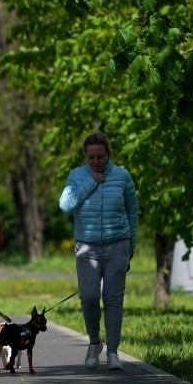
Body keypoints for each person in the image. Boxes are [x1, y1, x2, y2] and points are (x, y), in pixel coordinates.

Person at [59, 132, 138, 370]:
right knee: (90, 296)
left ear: (108, 154)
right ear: (85, 156)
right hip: (87, 246)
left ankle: (113, 352)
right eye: (91, 157)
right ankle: (95, 342)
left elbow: (132, 213)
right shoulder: (77, 176)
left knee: (113, 300)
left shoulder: (123, 176)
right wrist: (91, 181)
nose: (96, 161)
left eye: (100, 156)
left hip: (117, 245)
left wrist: (130, 249)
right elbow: (65, 206)